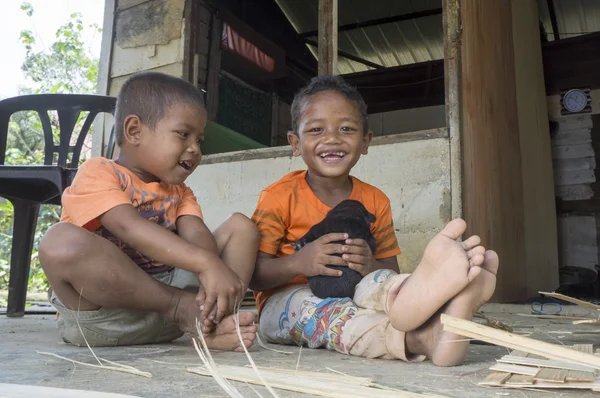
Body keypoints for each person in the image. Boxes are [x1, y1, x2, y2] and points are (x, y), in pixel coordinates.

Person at [249, 75, 499, 366]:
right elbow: (254, 275)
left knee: (381, 282)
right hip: (285, 303)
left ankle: (415, 299)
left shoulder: (375, 200)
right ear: (295, 143)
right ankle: (421, 338)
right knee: (330, 315)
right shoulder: (278, 197)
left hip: (355, 288)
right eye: (316, 129)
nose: (332, 138)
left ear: (365, 141)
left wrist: (369, 266)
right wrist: (299, 262)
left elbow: (387, 267)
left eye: (346, 129)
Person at [40, 72, 258, 351]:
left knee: (241, 227)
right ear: (134, 131)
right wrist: (203, 268)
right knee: (58, 242)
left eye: (199, 140)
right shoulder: (99, 172)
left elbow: (198, 238)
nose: (194, 149)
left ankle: (212, 321)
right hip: (105, 315)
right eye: (183, 134)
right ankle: (183, 308)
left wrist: (211, 270)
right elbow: (128, 227)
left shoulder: (179, 192)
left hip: (177, 312)